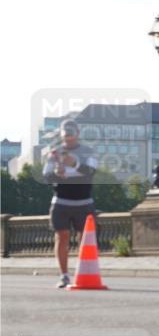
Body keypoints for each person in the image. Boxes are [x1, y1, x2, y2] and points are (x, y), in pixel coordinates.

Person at [42, 119, 99, 288]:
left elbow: (91, 172)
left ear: (77, 134)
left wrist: (74, 163)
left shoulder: (88, 152)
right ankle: (64, 275)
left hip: (84, 201)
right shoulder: (55, 152)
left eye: (71, 134)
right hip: (61, 201)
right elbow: (46, 176)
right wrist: (57, 174)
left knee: (85, 239)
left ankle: (84, 271)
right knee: (62, 236)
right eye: (65, 134)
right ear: (62, 135)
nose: (68, 138)